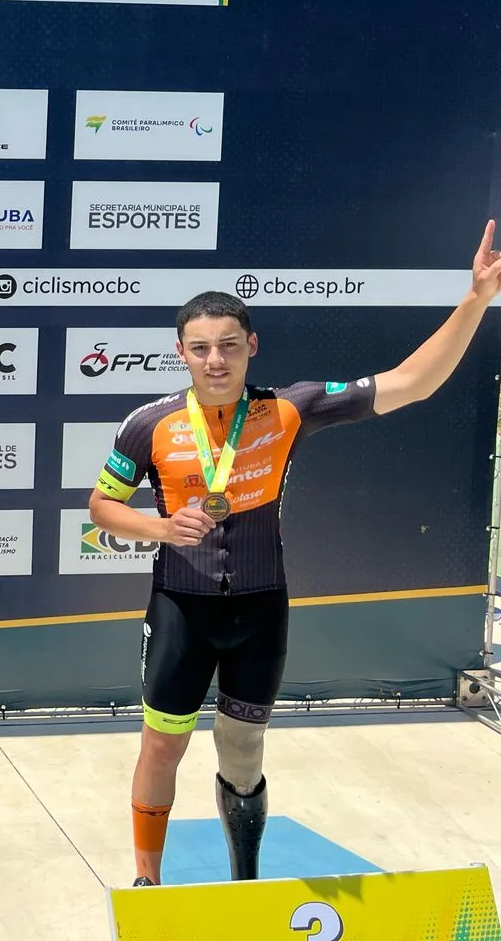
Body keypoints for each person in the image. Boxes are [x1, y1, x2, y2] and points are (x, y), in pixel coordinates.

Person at [89, 223, 501, 888]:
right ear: (181, 354)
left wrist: (476, 299)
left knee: (243, 752)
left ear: (251, 346)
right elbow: (101, 508)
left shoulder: (290, 408)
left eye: (228, 346)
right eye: (200, 349)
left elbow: (412, 384)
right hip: (179, 610)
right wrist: (160, 529)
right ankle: (146, 884)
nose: (215, 361)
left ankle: (245, 883)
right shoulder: (150, 424)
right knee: (161, 744)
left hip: (260, 611)